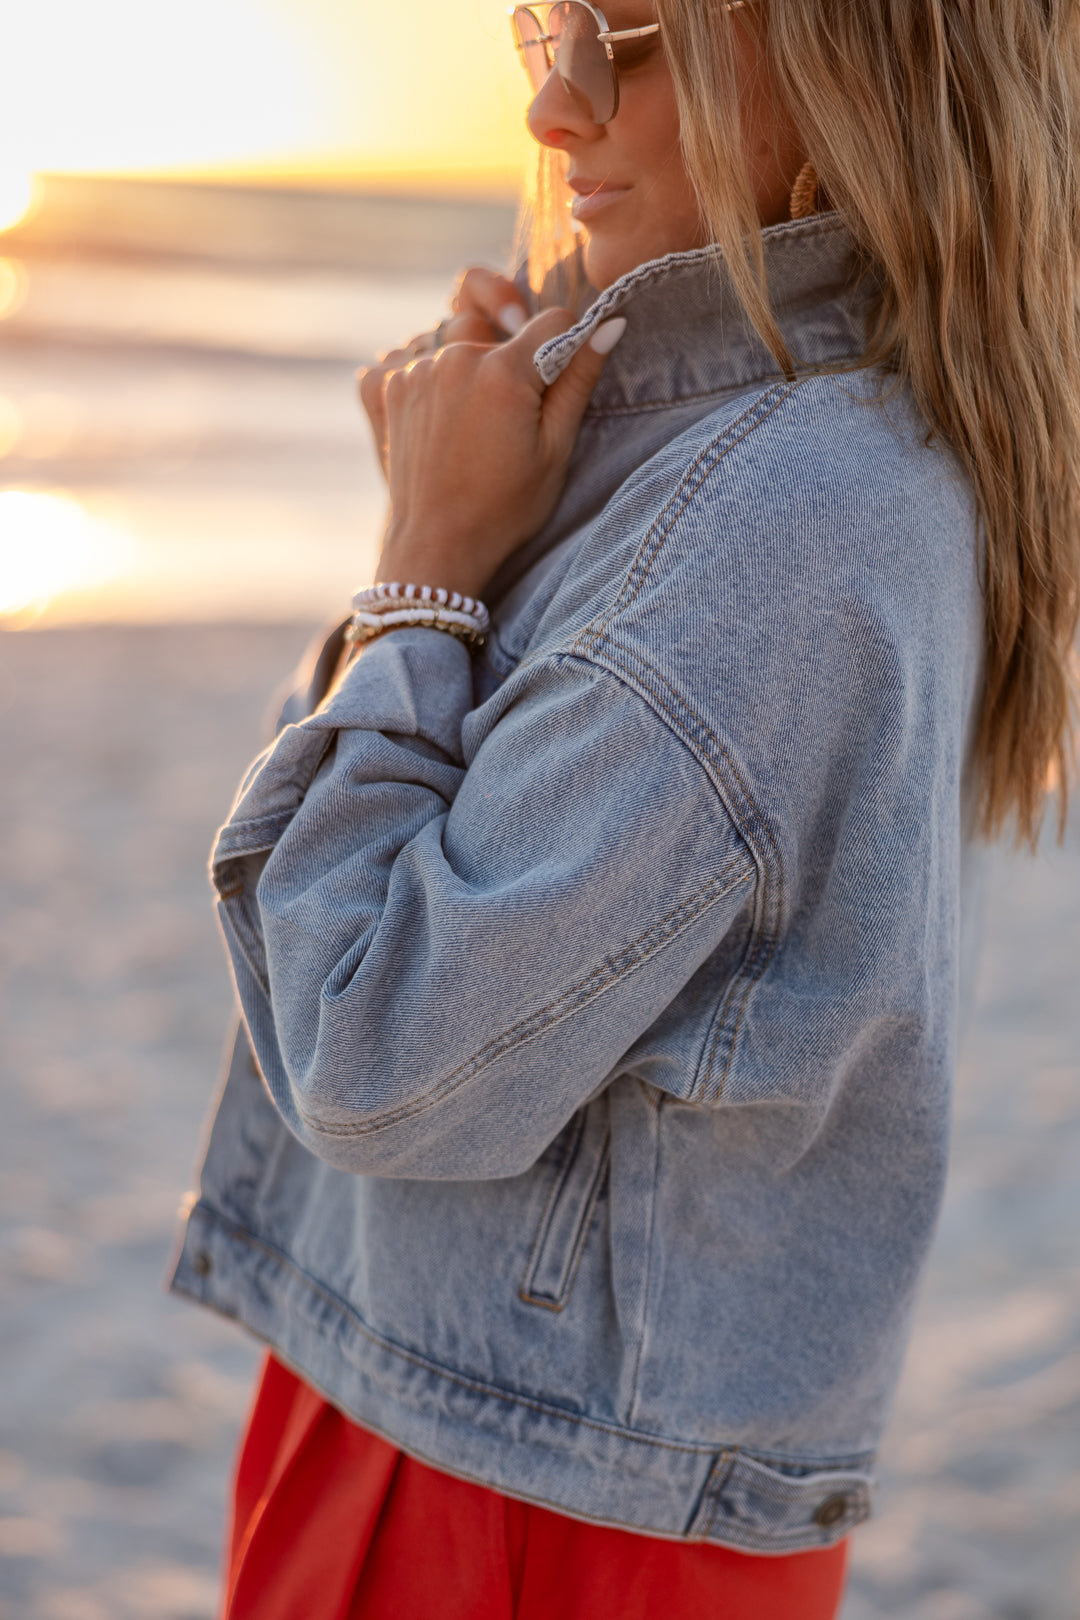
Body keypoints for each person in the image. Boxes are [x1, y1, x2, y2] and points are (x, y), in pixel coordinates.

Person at [170, 0, 1080, 1615]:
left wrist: (423, 578)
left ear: (866, 58)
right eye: (550, 27)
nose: (557, 108)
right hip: (495, 1432)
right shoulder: (784, 441)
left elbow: (374, 1060)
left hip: (523, 1507)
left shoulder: (780, 525)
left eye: (640, 31)